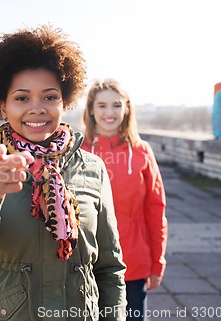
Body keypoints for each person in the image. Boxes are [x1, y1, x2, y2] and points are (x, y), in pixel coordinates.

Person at [0, 25, 127, 321]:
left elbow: (109, 268)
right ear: (3, 105)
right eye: (22, 98)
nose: (37, 109)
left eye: (50, 97)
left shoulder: (92, 168)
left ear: (65, 101)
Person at [82, 78, 167, 321]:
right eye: (102, 106)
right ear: (91, 109)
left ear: (127, 108)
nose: (110, 113)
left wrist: (156, 262)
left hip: (133, 264)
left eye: (117, 105)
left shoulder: (142, 151)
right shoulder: (77, 151)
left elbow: (155, 209)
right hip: (88, 266)